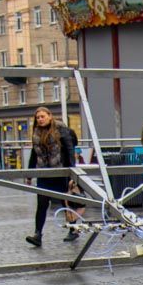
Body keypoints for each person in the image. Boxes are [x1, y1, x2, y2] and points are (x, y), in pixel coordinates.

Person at [25, 106, 82, 247]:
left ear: (50, 116)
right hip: (44, 173)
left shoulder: (61, 130)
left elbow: (70, 151)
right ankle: (37, 234)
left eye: (43, 116)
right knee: (42, 204)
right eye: (38, 117)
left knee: (65, 202)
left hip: (60, 172)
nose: (40, 119)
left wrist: (72, 174)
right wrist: (29, 174)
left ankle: (73, 229)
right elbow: (34, 154)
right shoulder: (36, 133)